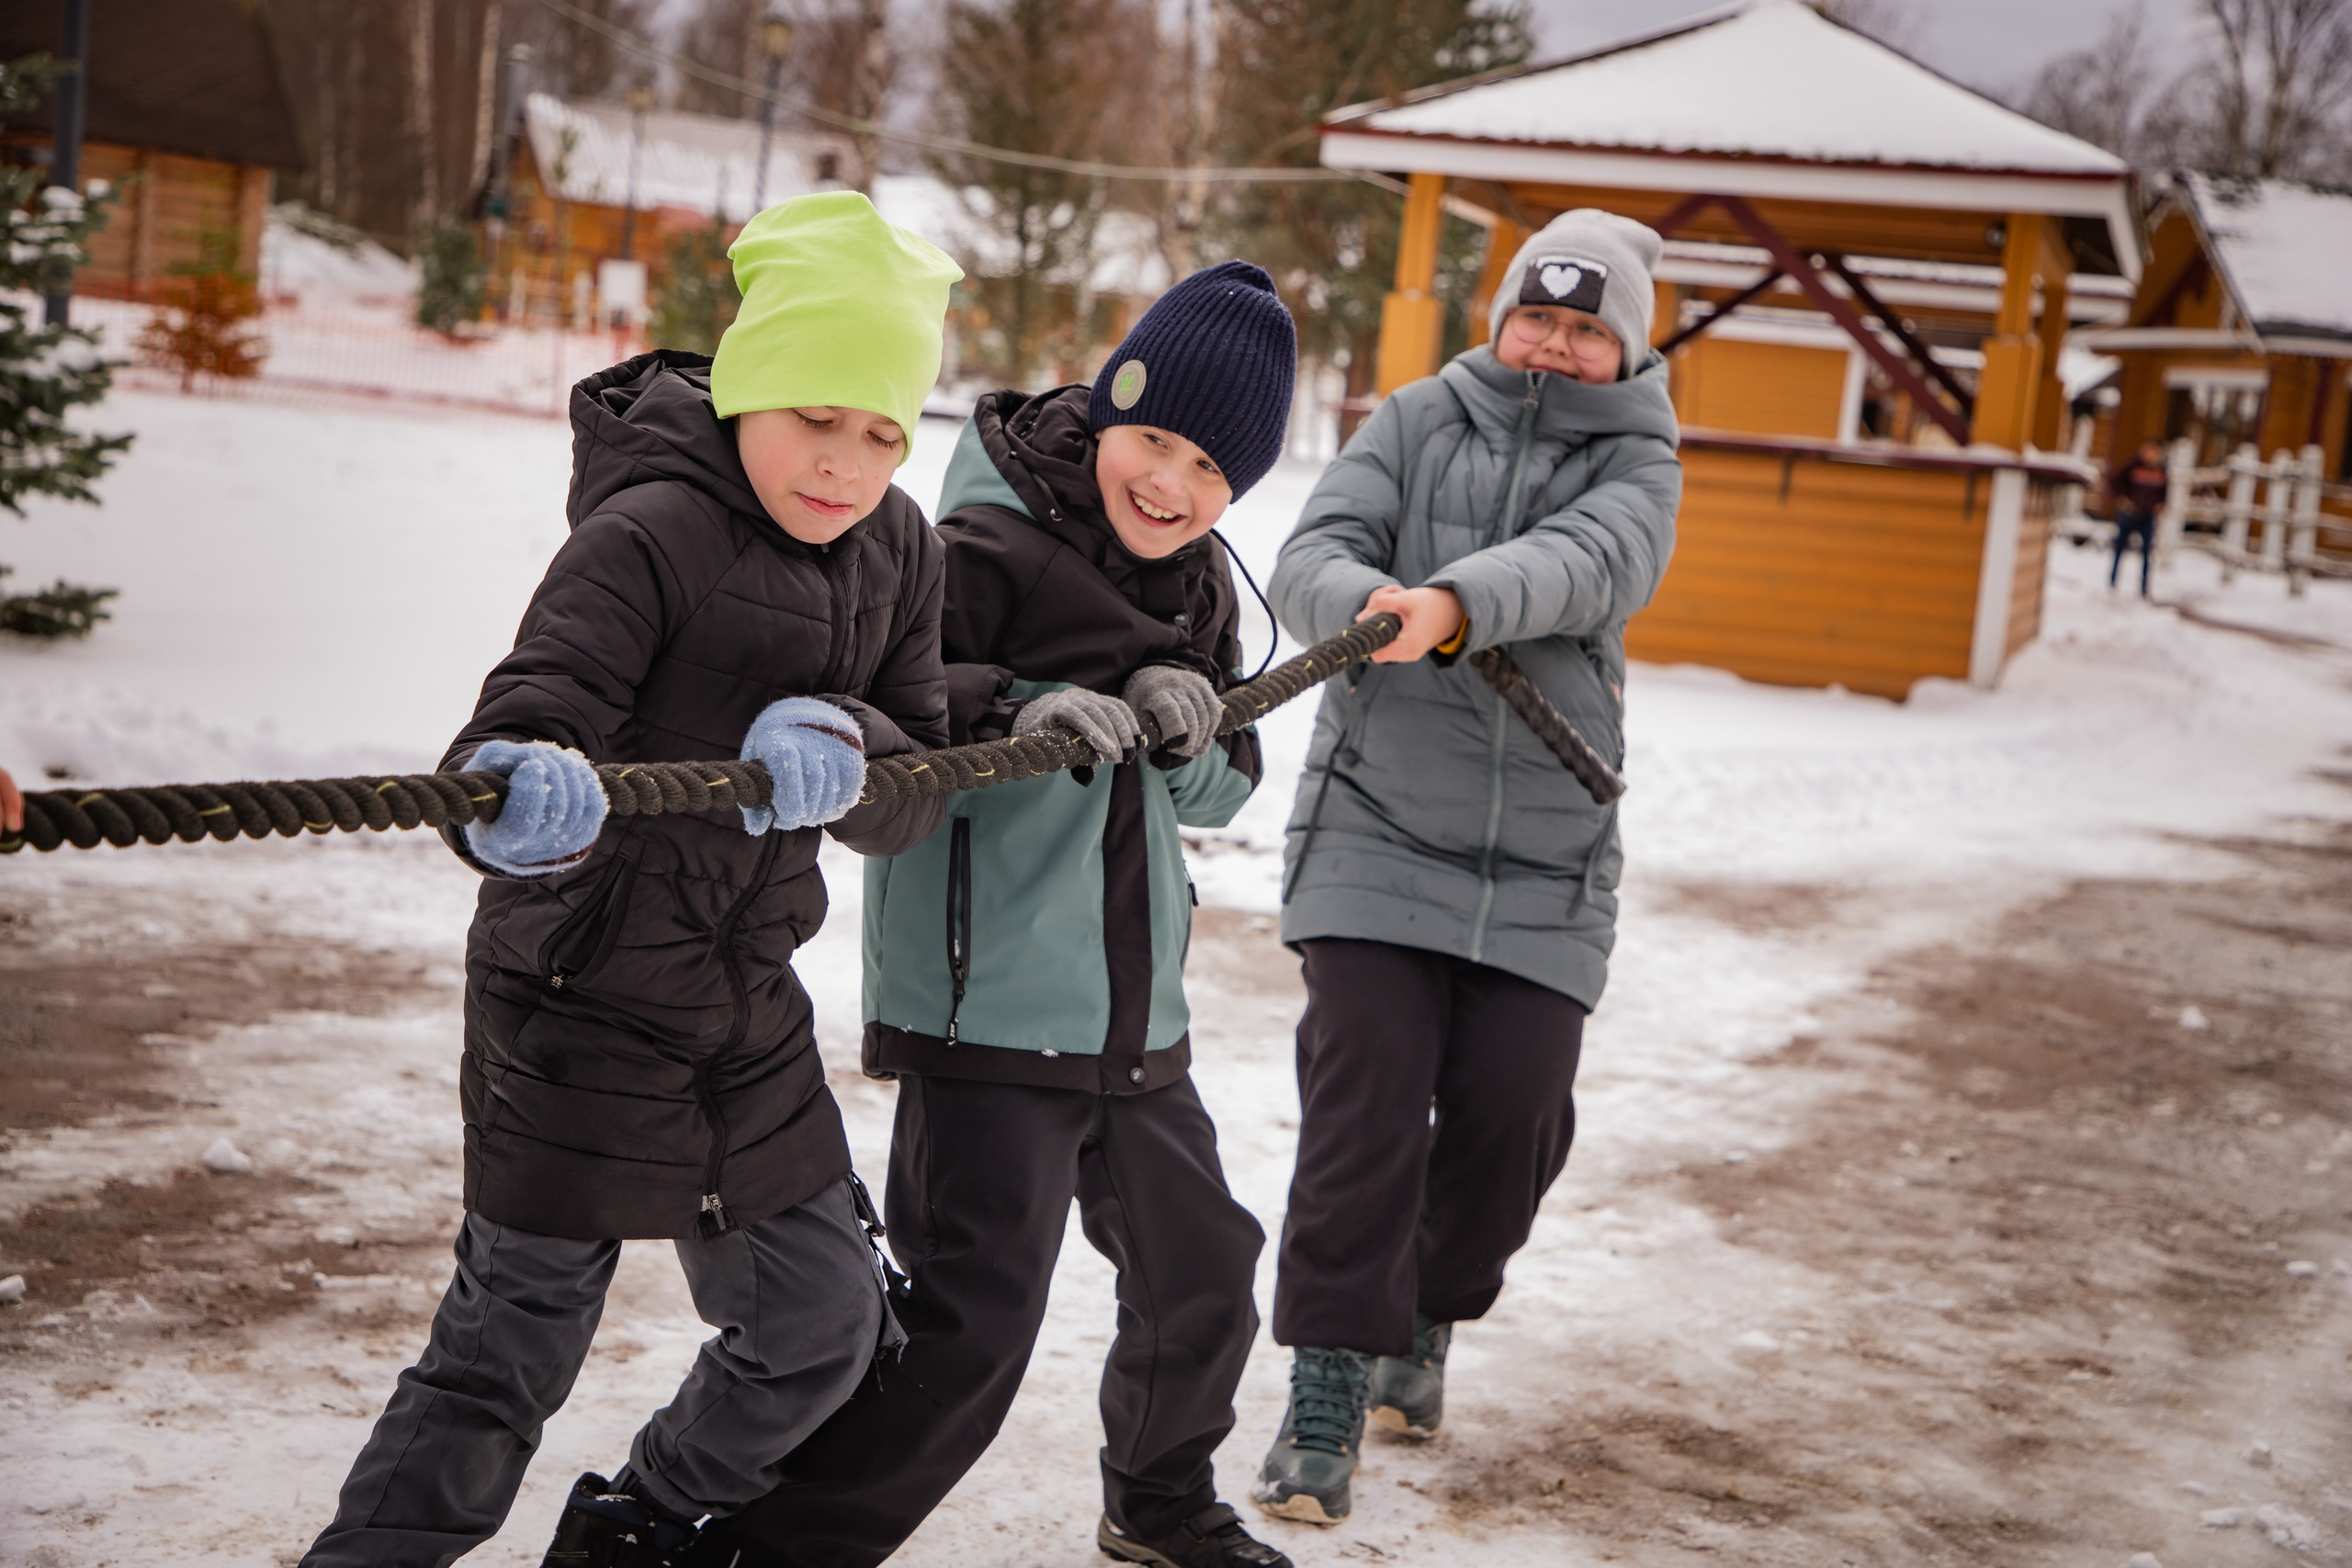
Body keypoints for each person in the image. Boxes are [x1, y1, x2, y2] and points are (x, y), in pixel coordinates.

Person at [298, 191, 963, 1568]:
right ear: (751, 391)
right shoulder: (650, 530)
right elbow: (523, 711)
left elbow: (924, 775)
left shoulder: (903, 550)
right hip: (578, 989)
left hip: (742, 1004)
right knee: (510, 1350)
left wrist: (860, 746)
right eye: (816, 417)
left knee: (819, 1321)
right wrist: (523, 786)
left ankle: (638, 1523)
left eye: (884, 431)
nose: (846, 464)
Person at [701, 263, 1299, 1568]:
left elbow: (1220, 784)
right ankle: (779, 1545)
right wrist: (1016, 704)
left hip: (1136, 1011)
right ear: (1103, 414)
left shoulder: (1196, 584)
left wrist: (1187, 719)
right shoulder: (973, 546)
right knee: (971, 1326)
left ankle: (1157, 1496)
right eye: (1153, 441)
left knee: (1203, 1268)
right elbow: (889, 705)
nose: (1171, 485)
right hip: (989, 1005)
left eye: (1211, 470)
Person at [1250, 210, 1683, 1526]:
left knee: (1512, 1115)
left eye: (1585, 326)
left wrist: (1450, 602)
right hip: (1379, 819)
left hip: (1547, 849)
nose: (1553, 345)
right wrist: (1354, 604)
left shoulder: (1646, 460)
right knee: (1363, 1102)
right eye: (1536, 317)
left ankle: (1429, 1308)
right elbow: (1310, 553)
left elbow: (1593, 563)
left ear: (1626, 346)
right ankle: (1326, 1382)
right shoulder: (1413, 415)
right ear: (1500, 318)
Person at [2109, 439, 2167, 596]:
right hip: (2129, 514)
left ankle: (2143, 588)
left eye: (2154, 451)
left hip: (2148, 517)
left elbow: (2165, 492)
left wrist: (2161, 505)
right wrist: (2121, 499)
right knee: (2119, 548)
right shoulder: (2132, 466)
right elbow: (2113, 481)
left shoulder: (2161, 470)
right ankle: (2112, 582)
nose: (2150, 455)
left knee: (2147, 552)